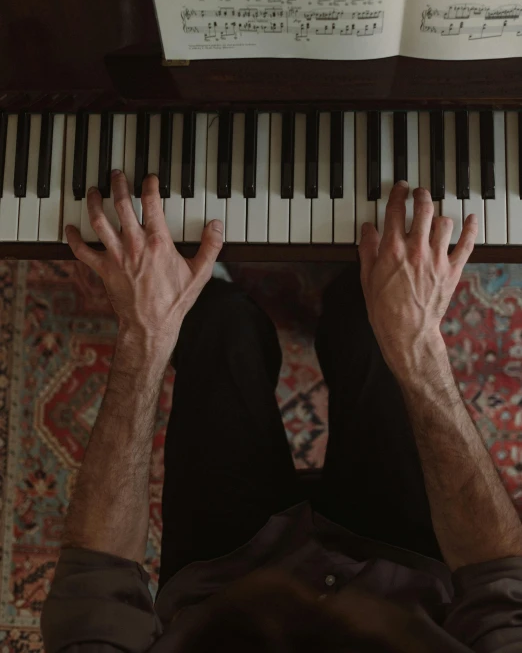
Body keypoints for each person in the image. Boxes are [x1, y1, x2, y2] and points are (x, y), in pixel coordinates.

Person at [41, 171, 522, 653]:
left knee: (216, 324)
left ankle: (200, 287)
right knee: (365, 322)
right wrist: (416, 345)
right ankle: (348, 287)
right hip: (406, 569)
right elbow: (501, 578)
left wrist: (145, 333)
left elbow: (95, 576)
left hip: (217, 578)